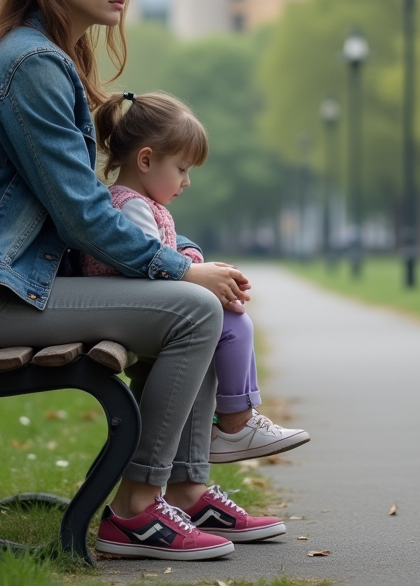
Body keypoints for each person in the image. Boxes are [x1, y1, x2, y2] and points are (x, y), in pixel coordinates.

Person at [0, 0, 283, 562]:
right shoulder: (32, 64)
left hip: (0, 287)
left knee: (192, 302)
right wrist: (180, 268)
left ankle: (186, 492)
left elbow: (78, 209)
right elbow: (82, 214)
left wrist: (180, 265)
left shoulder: (45, 58)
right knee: (193, 308)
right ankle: (136, 512)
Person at [80, 90, 311, 464]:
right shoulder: (131, 207)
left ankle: (235, 422)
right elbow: (148, 265)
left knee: (232, 318)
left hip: (136, 307)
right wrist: (197, 278)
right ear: (145, 159)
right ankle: (235, 424)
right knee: (232, 322)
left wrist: (196, 264)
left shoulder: (136, 203)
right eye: (182, 169)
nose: (186, 182)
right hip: (131, 311)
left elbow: (162, 255)